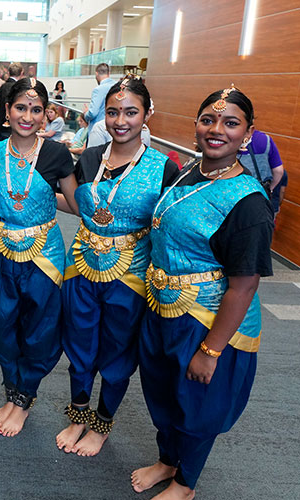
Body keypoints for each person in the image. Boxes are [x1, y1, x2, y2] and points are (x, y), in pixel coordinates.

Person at [132, 87, 273, 500]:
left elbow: (244, 284)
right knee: (162, 393)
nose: (216, 130)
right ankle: (167, 460)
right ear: (195, 126)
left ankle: (185, 483)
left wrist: (210, 351)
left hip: (208, 321)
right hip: (164, 308)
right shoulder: (189, 170)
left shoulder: (248, 203)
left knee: (197, 404)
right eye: (208, 120)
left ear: (247, 134)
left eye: (230, 123)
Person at [57, 75, 180, 457]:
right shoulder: (91, 157)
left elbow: (167, 228)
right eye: (113, 112)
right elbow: (79, 205)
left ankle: (101, 423)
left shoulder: (164, 169)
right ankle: (78, 413)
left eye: (130, 112)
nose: (120, 120)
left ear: (146, 115)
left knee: (116, 351)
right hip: (81, 266)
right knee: (79, 345)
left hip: (130, 276)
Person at [0, 78, 79, 437]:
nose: (28, 116)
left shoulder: (56, 154)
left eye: (36, 109)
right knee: (1, 325)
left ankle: (25, 397)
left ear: (46, 114)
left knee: (39, 329)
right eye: (21, 108)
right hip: (4, 250)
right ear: (7, 112)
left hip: (44, 255)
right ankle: (11, 391)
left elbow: (73, 204)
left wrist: (42, 199)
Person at [238, 129, 287, 217]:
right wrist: (270, 189)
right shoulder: (265, 139)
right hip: (262, 202)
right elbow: (279, 171)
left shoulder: (226, 137)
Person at [0, 62, 23, 140]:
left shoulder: (3, 86)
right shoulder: (17, 88)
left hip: (1, 124)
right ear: (21, 73)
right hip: (10, 126)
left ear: (8, 72)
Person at [83, 63, 117, 129]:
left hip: (99, 128)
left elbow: (93, 113)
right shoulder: (117, 86)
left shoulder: (98, 90)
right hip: (114, 127)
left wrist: (86, 113)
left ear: (96, 74)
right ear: (109, 73)